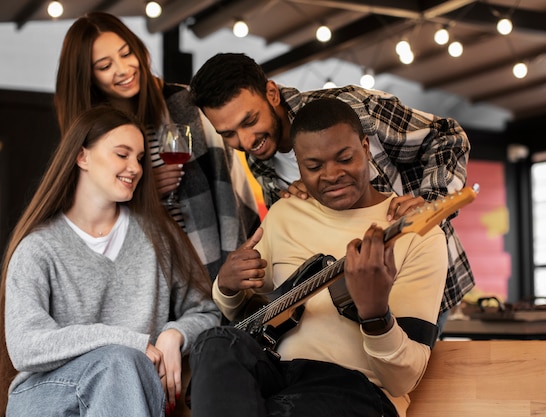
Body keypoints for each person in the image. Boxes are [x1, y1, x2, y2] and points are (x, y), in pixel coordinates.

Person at [189, 98, 447, 417]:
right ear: (298, 165)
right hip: (278, 376)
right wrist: (227, 287)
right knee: (213, 343)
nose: (331, 175)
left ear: (366, 148)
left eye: (345, 158)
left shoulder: (416, 233)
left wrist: (375, 313)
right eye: (314, 166)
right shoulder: (284, 213)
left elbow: (403, 379)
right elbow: (253, 310)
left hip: (356, 390)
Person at [189, 52, 473, 328]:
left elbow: (447, 136)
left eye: (250, 121)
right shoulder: (259, 156)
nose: (246, 141)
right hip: (348, 302)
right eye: (228, 134)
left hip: (419, 276)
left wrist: (432, 203)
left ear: (272, 94)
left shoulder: (354, 108)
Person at [0, 106, 220, 417]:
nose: (135, 168)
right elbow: (26, 346)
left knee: (124, 365)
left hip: (130, 392)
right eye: (122, 154)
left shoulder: (159, 236)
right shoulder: (38, 248)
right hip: (47, 398)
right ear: (82, 157)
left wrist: (174, 335)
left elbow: (206, 310)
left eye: (140, 158)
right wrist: (127, 341)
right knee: (120, 361)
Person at [54, 13, 260, 279]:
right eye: (105, 66)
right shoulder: (89, 136)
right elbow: (86, 216)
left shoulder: (186, 105)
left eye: (126, 53)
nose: (124, 69)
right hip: (144, 272)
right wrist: (144, 191)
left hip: (206, 260)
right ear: (88, 77)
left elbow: (229, 182)